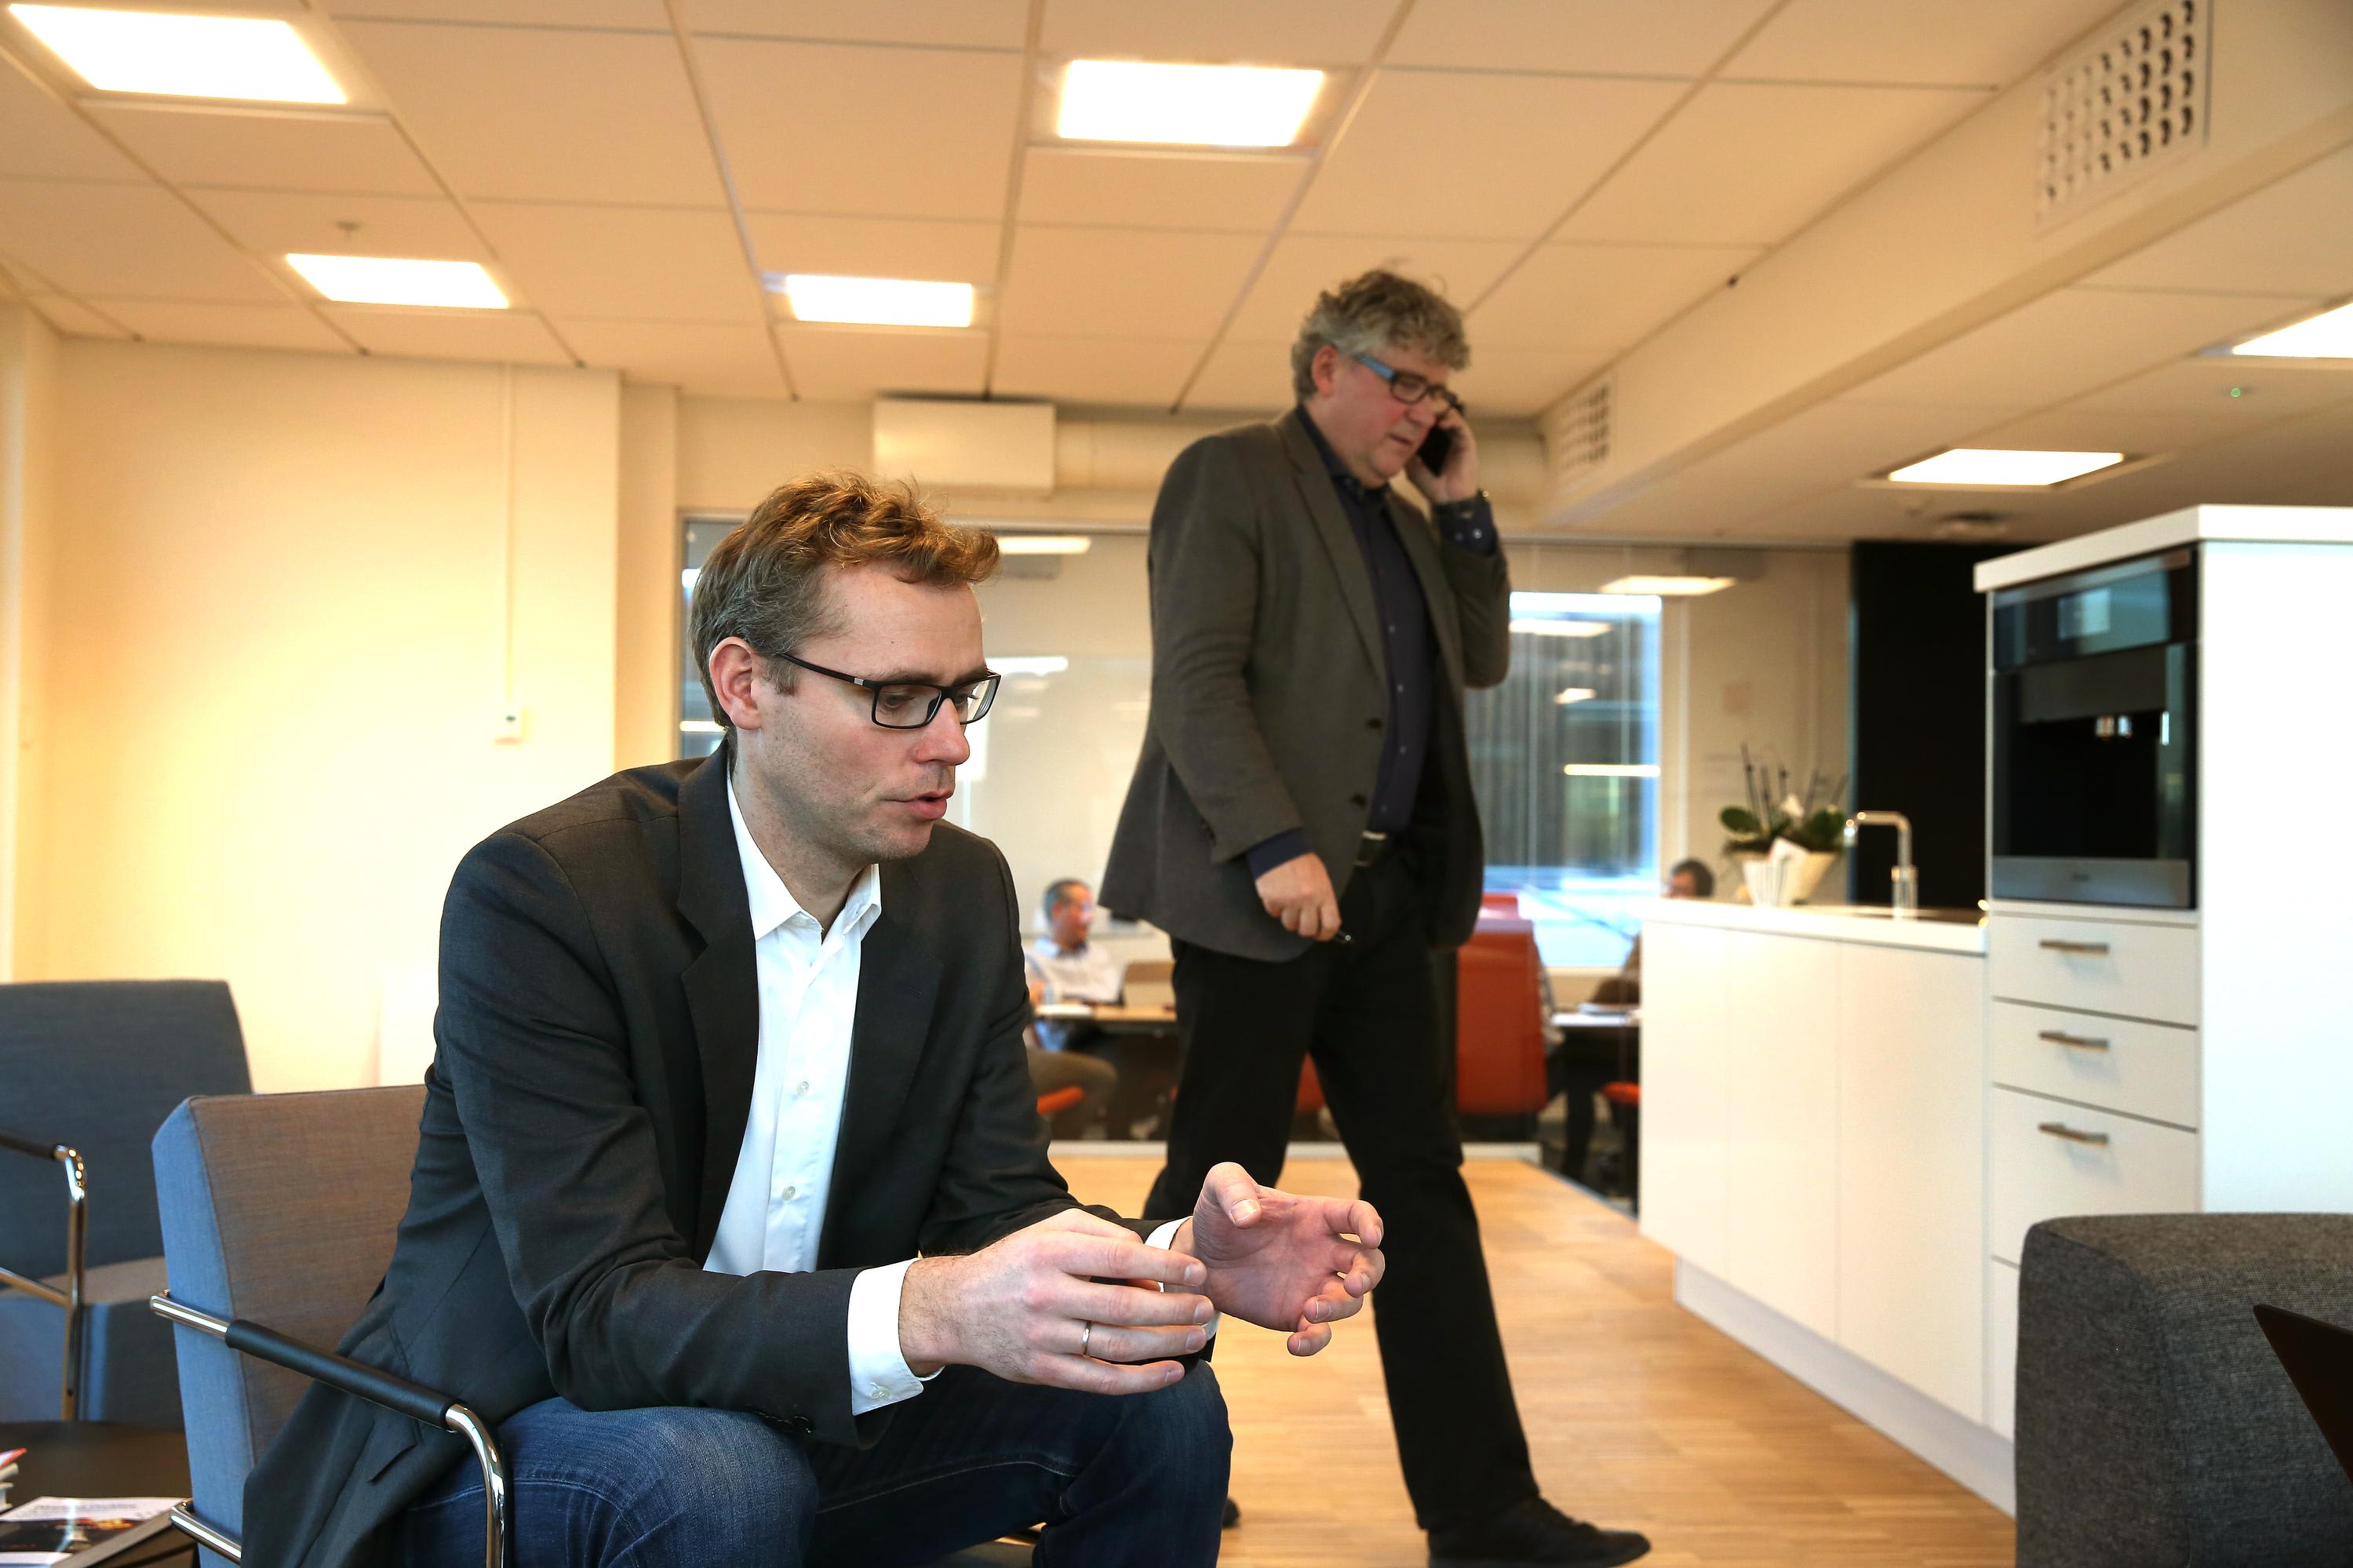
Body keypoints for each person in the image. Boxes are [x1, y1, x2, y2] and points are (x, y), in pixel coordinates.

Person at [248, 473, 1388, 1568]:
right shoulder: (550, 894)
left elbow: (1000, 1208)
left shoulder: (959, 892)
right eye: (896, 697)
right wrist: (932, 1308)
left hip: (791, 1426)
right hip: (504, 1435)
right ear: (744, 685)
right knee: (717, 1475)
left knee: (1155, 1404)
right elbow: (598, 1316)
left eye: (961, 694)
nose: (950, 742)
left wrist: (1181, 1259)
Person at [1102, 271, 1649, 1567]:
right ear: (1324, 370)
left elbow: (1480, 655)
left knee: (1421, 1186)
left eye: (1438, 392)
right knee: (1214, 1187)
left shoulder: (1406, 520)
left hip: (1389, 899)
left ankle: (1481, 1509)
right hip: (1263, 892)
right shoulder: (1230, 475)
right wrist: (1272, 839)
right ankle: (1125, 1461)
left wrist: (1461, 510)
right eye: (1403, 382)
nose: (1423, 411)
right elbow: (1195, 678)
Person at [1027, 877, 1176, 1139]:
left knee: (1171, 1047)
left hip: (1110, 1031)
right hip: (1069, 1043)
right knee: (1126, 1052)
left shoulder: (1098, 955)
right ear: (1058, 910)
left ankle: (1163, 1133)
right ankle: (1118, 1134)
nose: (1090, 918)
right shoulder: (1031, 960)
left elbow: (1114, 995)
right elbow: (1029, 1007)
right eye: (1083, 908)